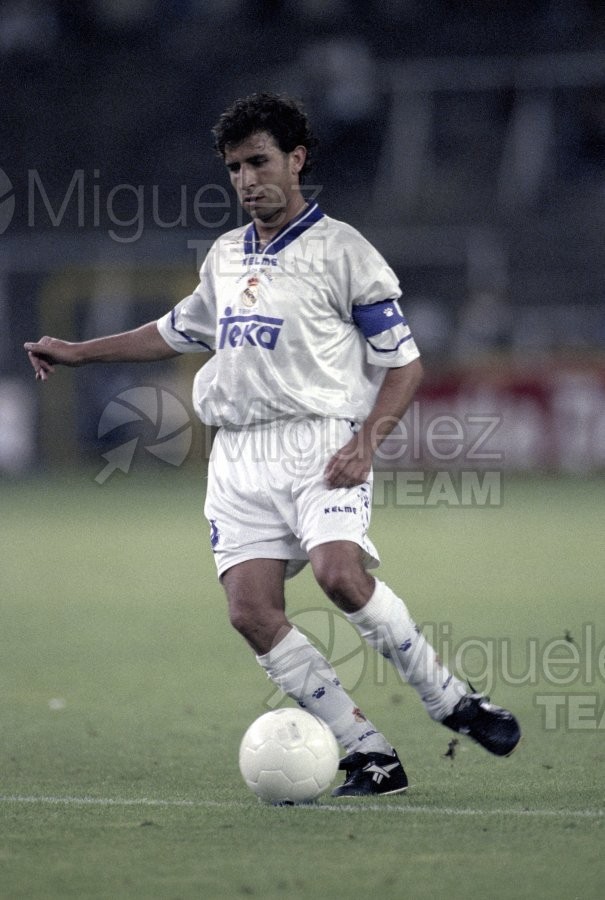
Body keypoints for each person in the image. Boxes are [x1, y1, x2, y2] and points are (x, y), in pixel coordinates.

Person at [24, 92, 520, 797]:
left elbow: (404, 365)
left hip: (319, 443)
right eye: (234, 168)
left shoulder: (344, 252)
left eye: (258, 162)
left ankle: (453, 702)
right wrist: (80, 351)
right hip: (236, 456)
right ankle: (367, 753)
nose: (247, 179)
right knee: (250, 612)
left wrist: (366, 443)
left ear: (296, 159)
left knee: (338, 576)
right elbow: (171, 332)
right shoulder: (225, 256)